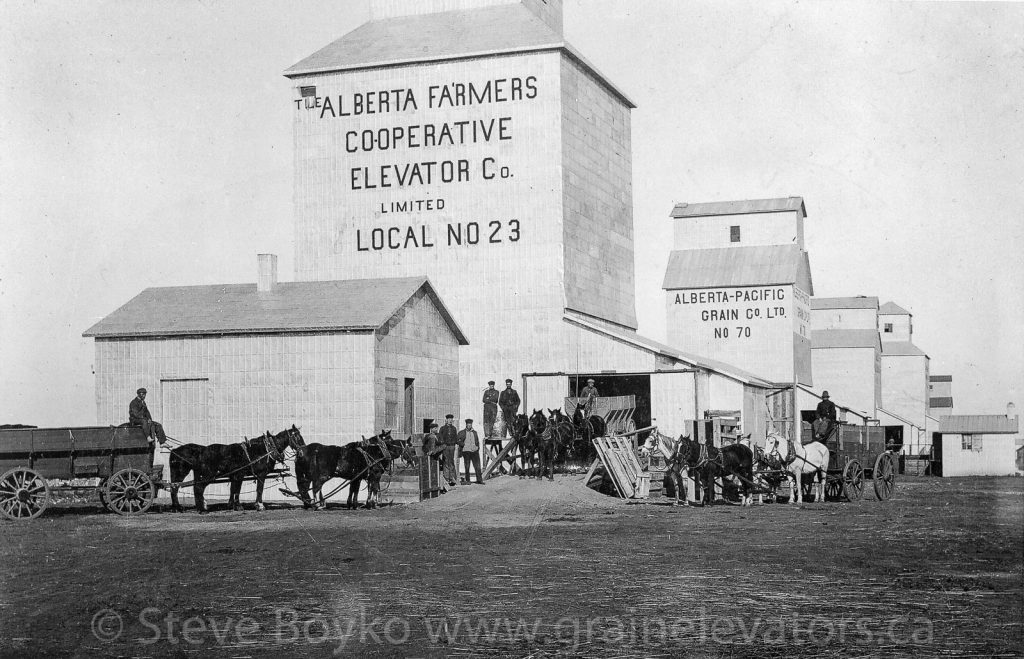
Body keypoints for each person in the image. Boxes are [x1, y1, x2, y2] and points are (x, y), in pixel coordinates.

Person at [458, 419, 485, 485]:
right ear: (466, 425)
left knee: (477, 466)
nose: (469, 425)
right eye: (468, 424)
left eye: (470, 424)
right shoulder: (462, 432)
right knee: (467, 466)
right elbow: (458, 440)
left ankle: (479, 480)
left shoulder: (474, 432)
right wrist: (463, 444)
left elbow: (477, 441)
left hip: (474, 451)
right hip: (466, 451)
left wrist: (477, 447)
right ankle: (468, 480)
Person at [439, 414, 459, 486]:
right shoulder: (442, 428)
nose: (450, 420)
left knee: (451, 461)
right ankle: (446, 478)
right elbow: (440, 438)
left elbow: (456, 438)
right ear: (446, 420)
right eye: (449, 419)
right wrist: (443, 444)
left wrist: (457, 443)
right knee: (446, 461)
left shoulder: (454, 428)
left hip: (452, 446)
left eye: (451, 419)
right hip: (445, 447)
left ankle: (452, 478)